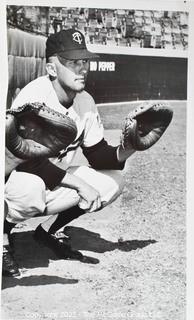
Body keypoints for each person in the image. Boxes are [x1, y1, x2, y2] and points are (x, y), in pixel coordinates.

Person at [3, 28, 136, 277]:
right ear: (52, 69)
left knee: (113, 181)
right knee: (29, 187)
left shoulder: (85, 100)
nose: (82, 68)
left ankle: (48, 231)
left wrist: (128, 149)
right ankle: (3, 237)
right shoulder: (34, 97)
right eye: (73, 63)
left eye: (84, 61)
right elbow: (26, 162)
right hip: (16, 180)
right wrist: (79, 185)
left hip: (54, 180)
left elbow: (96, 154)